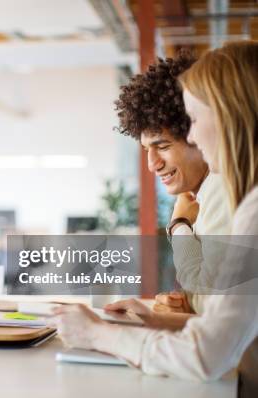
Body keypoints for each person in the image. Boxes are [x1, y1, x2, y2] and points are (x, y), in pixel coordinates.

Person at [53, 41, 257, 397]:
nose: (192, 133)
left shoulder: (243, 200)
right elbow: (224, 323)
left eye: (193, 121)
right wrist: (153, 319)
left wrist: (99, 334)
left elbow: (208, 351)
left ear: (229, 116)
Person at [115, 54, 232, 314]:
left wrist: (179, 226)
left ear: (197, 134)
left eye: (163, 146)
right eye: (146, 149)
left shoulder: (222, 187)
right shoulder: (203, 195)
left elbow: (208, 303)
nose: (152, 163)